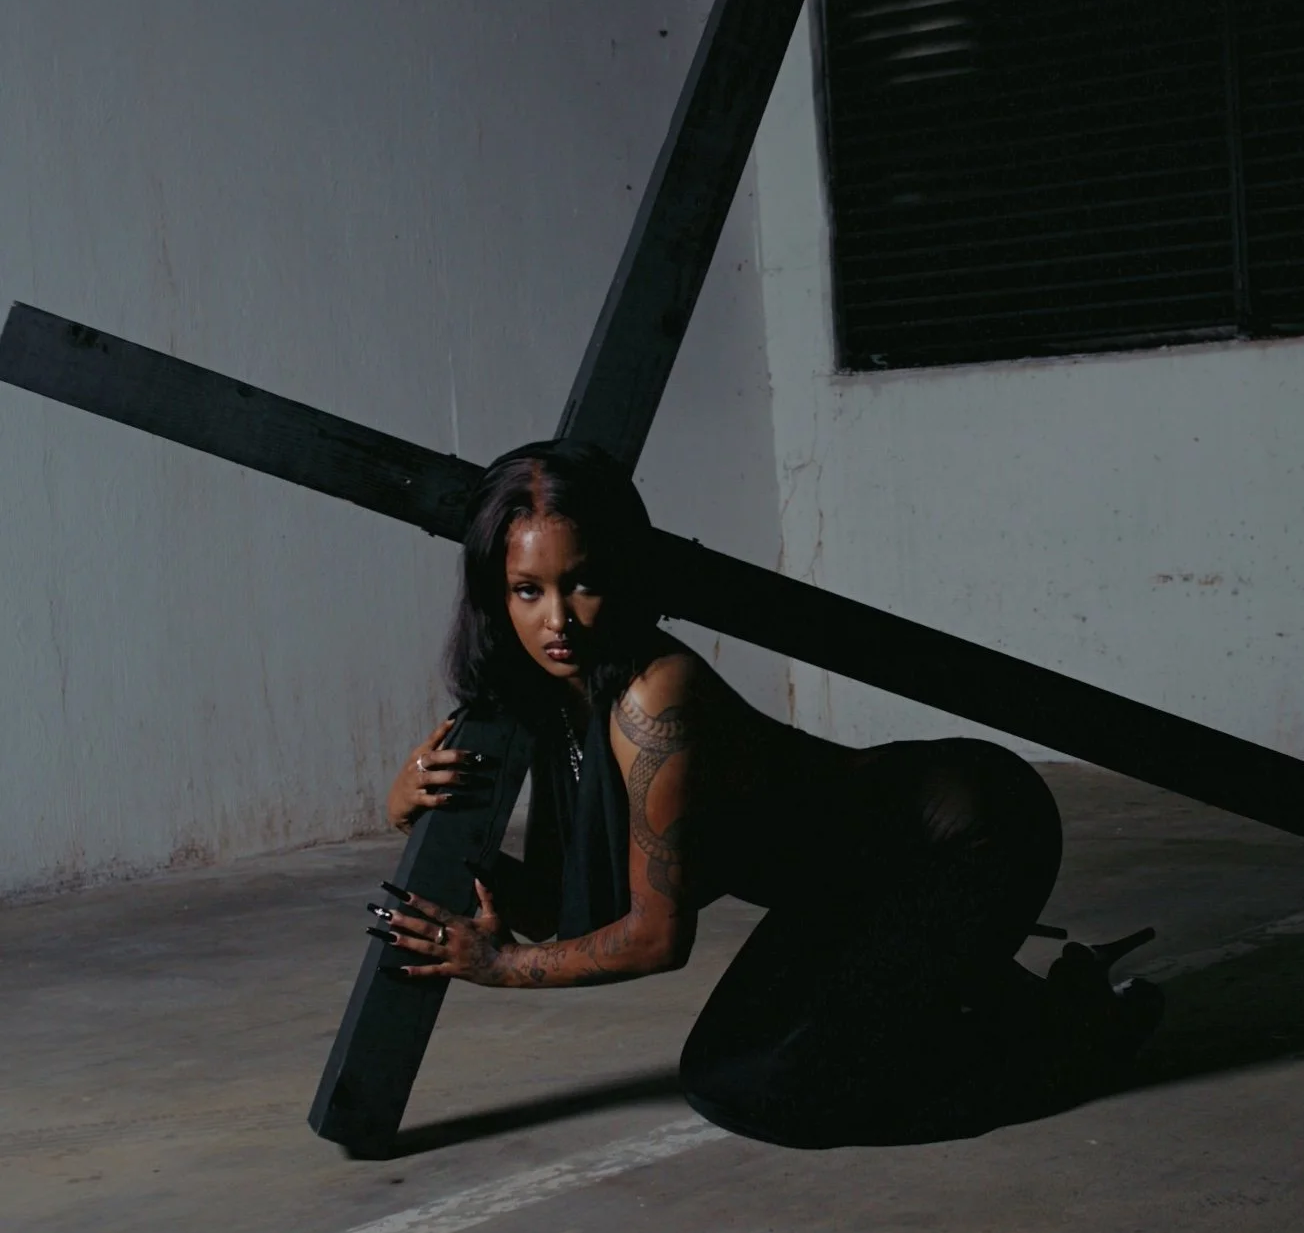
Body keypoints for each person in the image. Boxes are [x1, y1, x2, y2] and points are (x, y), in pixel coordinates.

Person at [371, 442, 1162, 1146]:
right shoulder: (553, 705)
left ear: (621, 573)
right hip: (845, 892)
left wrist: (501, 965)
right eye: (526, 590)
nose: (557, 622)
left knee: (785, 1092)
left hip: (960, 835)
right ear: (494, 593)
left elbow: (653, 936)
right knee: (727, 1070)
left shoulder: (653, 702)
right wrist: (406, 807)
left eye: (582, 583)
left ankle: (1078, 1034)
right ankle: (997, 992)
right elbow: (574, 903)